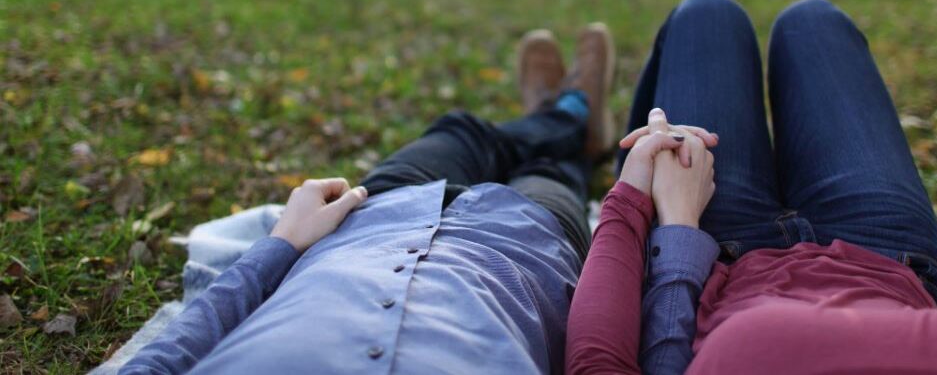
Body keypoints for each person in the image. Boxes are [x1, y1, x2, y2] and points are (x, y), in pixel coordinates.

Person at [565, 0, 937, 375]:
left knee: (705, 15)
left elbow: (599, 362)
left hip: (714, 254)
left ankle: (587, 128)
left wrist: (641, 201)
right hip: (889, 260)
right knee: (814, 22)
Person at [121, 24, 617, 374]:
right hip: (524, 257)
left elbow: (168, 355)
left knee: (462, 133)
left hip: (370, 223)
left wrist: (283, 242)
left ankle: (562, 116)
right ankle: (571, 119)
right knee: (552, 170)